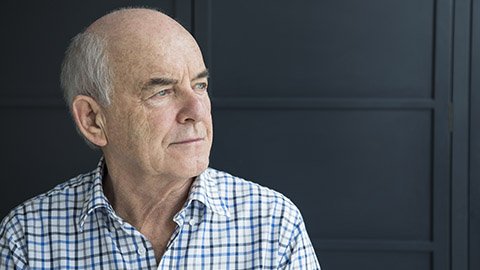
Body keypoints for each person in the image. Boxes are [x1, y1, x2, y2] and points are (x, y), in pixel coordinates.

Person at [0, 8, 320, 269]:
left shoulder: (273, 224)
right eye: (162, 91)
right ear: (93, 120)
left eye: (200, 86)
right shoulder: (28, 237)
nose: (197, 111)